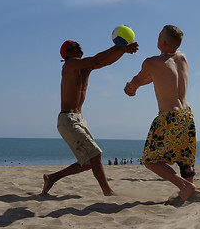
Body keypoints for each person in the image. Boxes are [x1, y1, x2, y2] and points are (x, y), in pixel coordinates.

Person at [40, 39, 139, 196]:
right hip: (68, 120)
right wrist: (120, 47)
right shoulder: (68, 66)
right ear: (67, 54)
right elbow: (96, 60)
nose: (79, 46)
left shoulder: (84, 68)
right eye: (74, 46)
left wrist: (123, 51)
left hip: (79, 119)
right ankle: (108, 192)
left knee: (88, 162)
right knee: (96, 154)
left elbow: (103, 62)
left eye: (79, 44)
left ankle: (52, 178)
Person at [124, 25, 196, 201]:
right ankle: (188, 195)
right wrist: (139, 84)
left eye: (158, 36)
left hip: (169, 117)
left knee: (150, 161)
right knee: (185, 159)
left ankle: (184, 186)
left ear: (162, 42)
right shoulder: (182, 57)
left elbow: (139, 79)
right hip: (187, 115)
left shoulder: (151, 62)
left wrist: (131, 88)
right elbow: (156, 76)